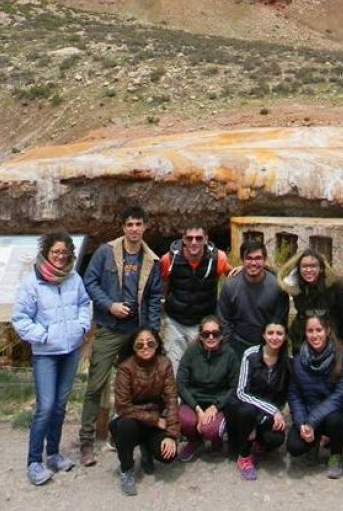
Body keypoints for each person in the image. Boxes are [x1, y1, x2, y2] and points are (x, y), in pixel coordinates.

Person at [78, 206, 162, 466]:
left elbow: (154, 297)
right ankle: (87, 439)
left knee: (139, 388)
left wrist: (152, 333)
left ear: (145, 226)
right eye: (130, 224)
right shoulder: (106, 252)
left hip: (137, 333)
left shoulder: (152, 260)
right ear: (123, 227)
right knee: (96, 384)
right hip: (109, 328)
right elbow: (90, 282)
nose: (134, 229)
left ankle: (130, 434)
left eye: (138, 224)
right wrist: (109, 305)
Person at [10, 232, 91, 486]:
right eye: (55, 251)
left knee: (60, 405)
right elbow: (20, 317)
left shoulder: (73, 277)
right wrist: (42, 336)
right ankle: (34, 461)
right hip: (46, 353)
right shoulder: (32, 282)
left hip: (70, 350)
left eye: (64, 252)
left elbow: (84, 304)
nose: (60, 256)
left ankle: (53, 453)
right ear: (46, 252)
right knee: (45, 406)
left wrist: (81, 328)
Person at [109, 327, 180, 496]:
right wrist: (155, 420)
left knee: (168, 454)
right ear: (133, 347)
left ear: (157, 344)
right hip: (130, 418)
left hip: (155, 417)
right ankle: (126, 469)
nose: (145, 347)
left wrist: (171, 435)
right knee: (127, 427)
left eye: (150, 343)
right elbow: (123, 407)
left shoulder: (164, 363)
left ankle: (147, 449)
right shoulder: (125, 368)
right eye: (139, 345)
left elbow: (171, 399)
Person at [286, 315, 343, 479]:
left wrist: (312, 421)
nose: (315, 335)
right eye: (310, 331)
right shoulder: (298, 360)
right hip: (308, 413)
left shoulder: (340, 357)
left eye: (319, 330)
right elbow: (294, 396)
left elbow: (341, 394)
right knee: (294, 447)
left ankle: (336, 455)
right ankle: (312, 445)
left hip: (332, 414)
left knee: (337, 421)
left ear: (327, 331)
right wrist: (302, 423)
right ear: (305, 334)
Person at [224, 321, 291, 480]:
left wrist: (270, 414)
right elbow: (241, 392)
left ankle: (256, 440)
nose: (274, 337)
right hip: (242, 408)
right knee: (247, 412)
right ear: (263, 335)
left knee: (276, 438)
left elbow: (282, 397)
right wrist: (272, 411)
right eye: (270, 333)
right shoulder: (250, 354)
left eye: (279, 333)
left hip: (265, 413)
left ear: (285, 336)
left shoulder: (287, 361)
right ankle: (244, 456)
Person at [160, 225, 231, 368]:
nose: (194, 242)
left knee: (199, 368)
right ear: (183, 240)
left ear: (206, 239)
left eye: (198, 238)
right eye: (189, 238)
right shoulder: (169, 259)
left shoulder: (218, 258)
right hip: (175, 321)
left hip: (203, 323)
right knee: (174, 367)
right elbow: (162, 286)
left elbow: (233, 276)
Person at [175, 314, 240, 462]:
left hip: (218, 403)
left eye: (215, 333)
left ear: (221, 335)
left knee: (210, 429)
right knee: (182, 419)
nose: (211, 337)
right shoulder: (191, 352)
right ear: (200, 335)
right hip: (194, 402)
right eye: (206, 334)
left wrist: (216, 407)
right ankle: (194, 440)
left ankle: (215, 438)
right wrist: (197, 409)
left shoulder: (230, 354)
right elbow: (181, 383)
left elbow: (234, 386)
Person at [217, 239, 290, 356]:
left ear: (264, 260)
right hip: (237, 347)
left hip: (268, 346)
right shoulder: (230, 287)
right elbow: (223, 322)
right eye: (249, 258)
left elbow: (280, 322)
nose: (253, 263)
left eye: (257, 258)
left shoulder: (277, 288)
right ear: (242, 260)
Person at [278, 248, 341, 351]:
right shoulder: (297, 288)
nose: (308, 270)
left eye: (313, 266)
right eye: (305, 266)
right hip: (301, 341)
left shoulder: (335, 287)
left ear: (321, 268)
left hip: (331, 341)